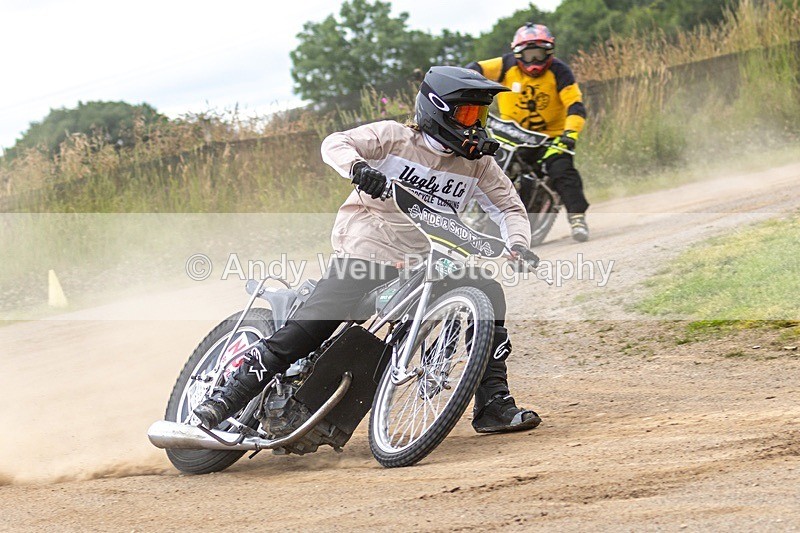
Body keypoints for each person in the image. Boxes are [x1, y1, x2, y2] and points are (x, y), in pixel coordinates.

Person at [193, 66, 542, 435]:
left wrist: (518, 244)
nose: (475, 126)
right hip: (367, 247)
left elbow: (509, 209)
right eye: (468, 114)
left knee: (488, 290)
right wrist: (358, 168)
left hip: (423, 259)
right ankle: (226, 398)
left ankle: (493, 404)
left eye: (481, 116)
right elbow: (335, 142)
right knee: (312, 327)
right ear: (438, 110)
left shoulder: (479, 164)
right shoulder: (395, 138)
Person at [466, 23, 590, 242]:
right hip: (510, 137)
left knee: (562, 170)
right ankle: (475, 216)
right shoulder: (505, 64)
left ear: (549, 52)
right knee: (485, 167)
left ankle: (577, 217)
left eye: (539, 55)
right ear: (517, 54)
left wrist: (569, 135)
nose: (534, 62)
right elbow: (474, 68)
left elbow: (575, 105)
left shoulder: (560, 71)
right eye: (528, 55)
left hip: (550, 140)